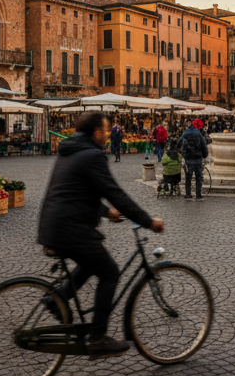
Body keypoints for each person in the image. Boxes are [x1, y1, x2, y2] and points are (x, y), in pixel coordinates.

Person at [38, 111, 164, 360]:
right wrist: (148, 221)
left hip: (54, 226)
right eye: (106, 131)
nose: (108, 136)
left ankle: (59, 299)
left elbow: (77, 191)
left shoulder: (70, 151)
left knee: (89, 264)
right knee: (109, 272)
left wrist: (107, 213)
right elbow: (115, 192)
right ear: (96, 131)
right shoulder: (93, 155)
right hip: (72, 229)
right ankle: (97, 337)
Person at [180, 118, 209, 200]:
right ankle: (198, 194)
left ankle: (188, 194)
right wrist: (205, 155)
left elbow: (179, 143)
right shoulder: (198, 134)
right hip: (197, 159)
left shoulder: (185, 133)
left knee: (188, 177)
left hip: (188, 159)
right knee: (198, 177)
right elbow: (204, 146)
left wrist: (183, 154)